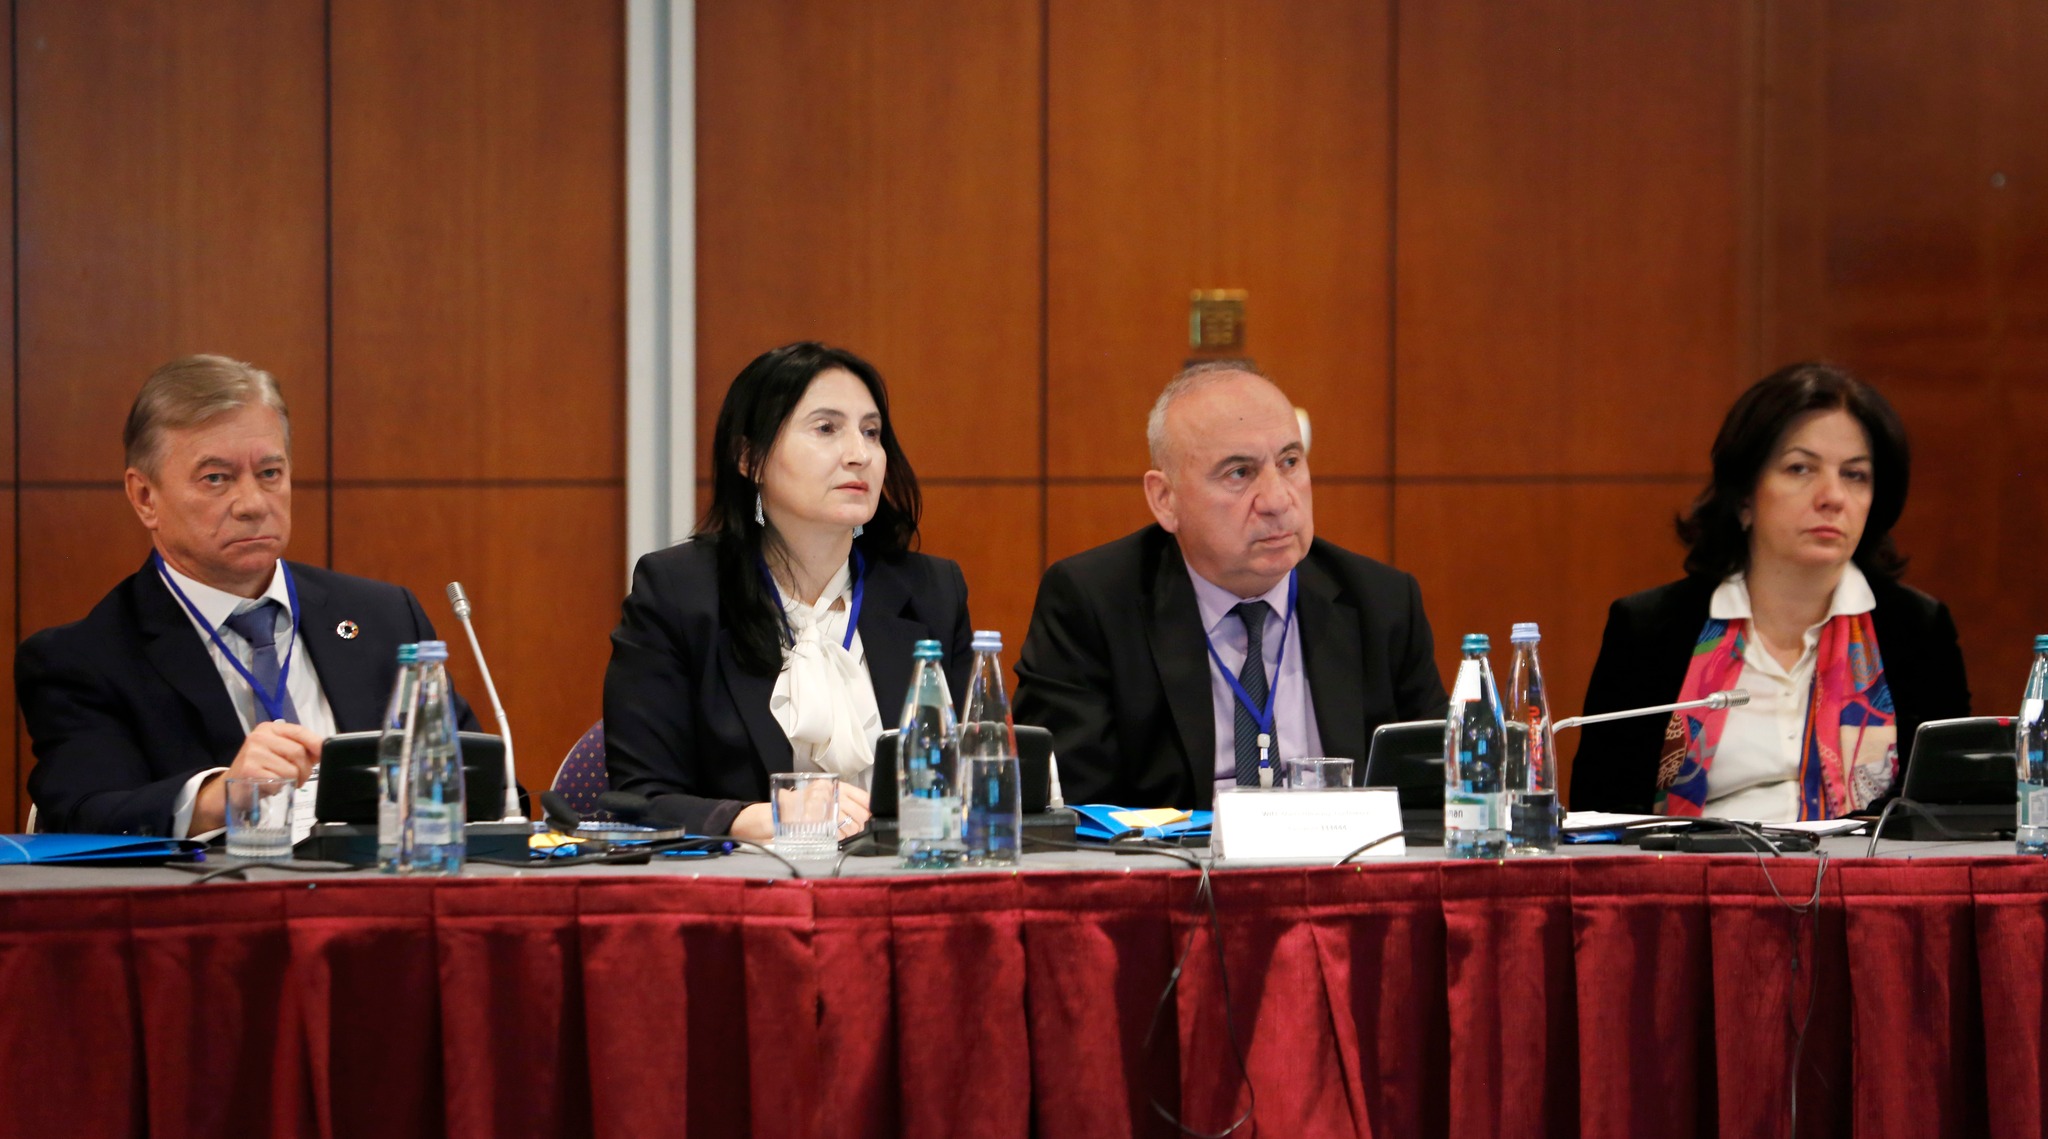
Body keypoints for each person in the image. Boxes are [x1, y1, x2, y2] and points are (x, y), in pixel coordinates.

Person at [20, 355, 477, 837]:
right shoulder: (85, 660)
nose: (253, 504)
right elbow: (82, 816)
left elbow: (482, 784)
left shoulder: (384, 618)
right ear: (145, 498)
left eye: (270, 473)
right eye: (216, 478)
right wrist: (218, 797)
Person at [1015, 362, 1447, 809]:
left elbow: (1435, 794)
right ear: (1165, 499)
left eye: (1290, 462)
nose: (1278, 500)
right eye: (1239, 473)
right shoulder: (1093, 605)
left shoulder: (1381, 603)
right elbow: (1069, 810)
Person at [603, 342, 972, 840]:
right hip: (747, 879)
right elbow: (638, 798)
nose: (859, 454)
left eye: (871, 432)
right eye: (826, 429)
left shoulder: (933, 592)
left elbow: (974, 774)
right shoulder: (679, 592)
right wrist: (763, 818)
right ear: (750, 458)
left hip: (904, 872)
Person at [1571, 362, 1971, 820]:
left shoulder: (1916, 630)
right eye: (1800, 468)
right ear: (1745, 497)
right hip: (1694, 864)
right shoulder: (1651, 629)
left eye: (1855, 475)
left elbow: (1949, 812)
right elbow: (1599, 815)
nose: (1832, 496)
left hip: (1865, 866)